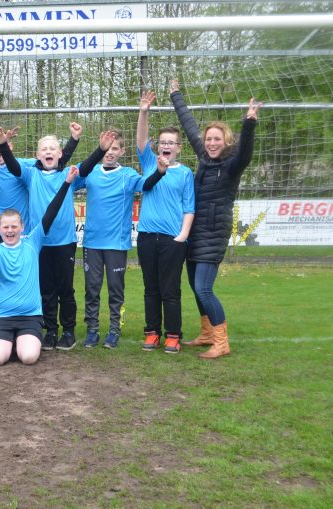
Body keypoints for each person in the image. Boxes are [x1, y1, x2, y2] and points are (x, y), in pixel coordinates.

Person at [170, 80, 262, 359]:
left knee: (203, 287)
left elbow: (246, 152)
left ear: (226, 142)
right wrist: (176, 95)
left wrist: (248, 124)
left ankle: (222, 341)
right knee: (194, 287)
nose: (211, 143)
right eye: (208, 139)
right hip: (195, 233)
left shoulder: (231, 165)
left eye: (216, 140)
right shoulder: (204, 158)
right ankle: (208, 333)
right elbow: (188, 125)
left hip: (213, 233)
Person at [0, 164, 79, 366]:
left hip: (30, 317)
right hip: (3, 316)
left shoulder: (32, 242)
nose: (10, 231)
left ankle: (22, 340)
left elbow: (51, 211)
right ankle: (7, 340)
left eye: (14, 226)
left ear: (22, 227)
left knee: (28, 357)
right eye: (5, 227)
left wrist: (66, 183)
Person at [0, 126, 82, 351]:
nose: (48, 151)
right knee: (46, 289)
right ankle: (50, 331)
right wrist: (3, 145)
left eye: (53, 148)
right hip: (39, 244)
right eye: (44, 149)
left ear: (60, 153)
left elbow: (89, 164)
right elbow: (13, 165)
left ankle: (69, 331)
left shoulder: (67, 174)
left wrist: (78, 141)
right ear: (37, 155)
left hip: (64, 242)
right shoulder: (31, 173)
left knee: (65, 289)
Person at [136, 90, 195, 354]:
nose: (166, 146)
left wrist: (182, 236)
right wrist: (143, 112)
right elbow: (140, 140)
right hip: (148, 237)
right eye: (162, 142)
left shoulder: (185, 173)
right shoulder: (149, 163)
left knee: (170, 290)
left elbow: (189, 207)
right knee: (151, 288)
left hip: (173, 240)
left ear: (178, 147)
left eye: (171, 142)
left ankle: (173, 335)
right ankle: (152, 333)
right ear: (157, 146)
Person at [73, 129, 144, 349]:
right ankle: (92, 330)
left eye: (115, 148)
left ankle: (114, 330)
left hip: (116, 244)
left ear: (122, 151)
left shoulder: (129, 175)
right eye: (108, 148)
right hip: (92, 243)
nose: (110, 153)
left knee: (116, 289)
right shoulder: (90, 173)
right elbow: (67, 183)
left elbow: (149, 185)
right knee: (92, 288)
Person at [0, 121, 81, 245]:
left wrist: (74, 139)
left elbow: (56, 160)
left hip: (22, 230)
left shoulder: (26, 166)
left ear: (9, 146)